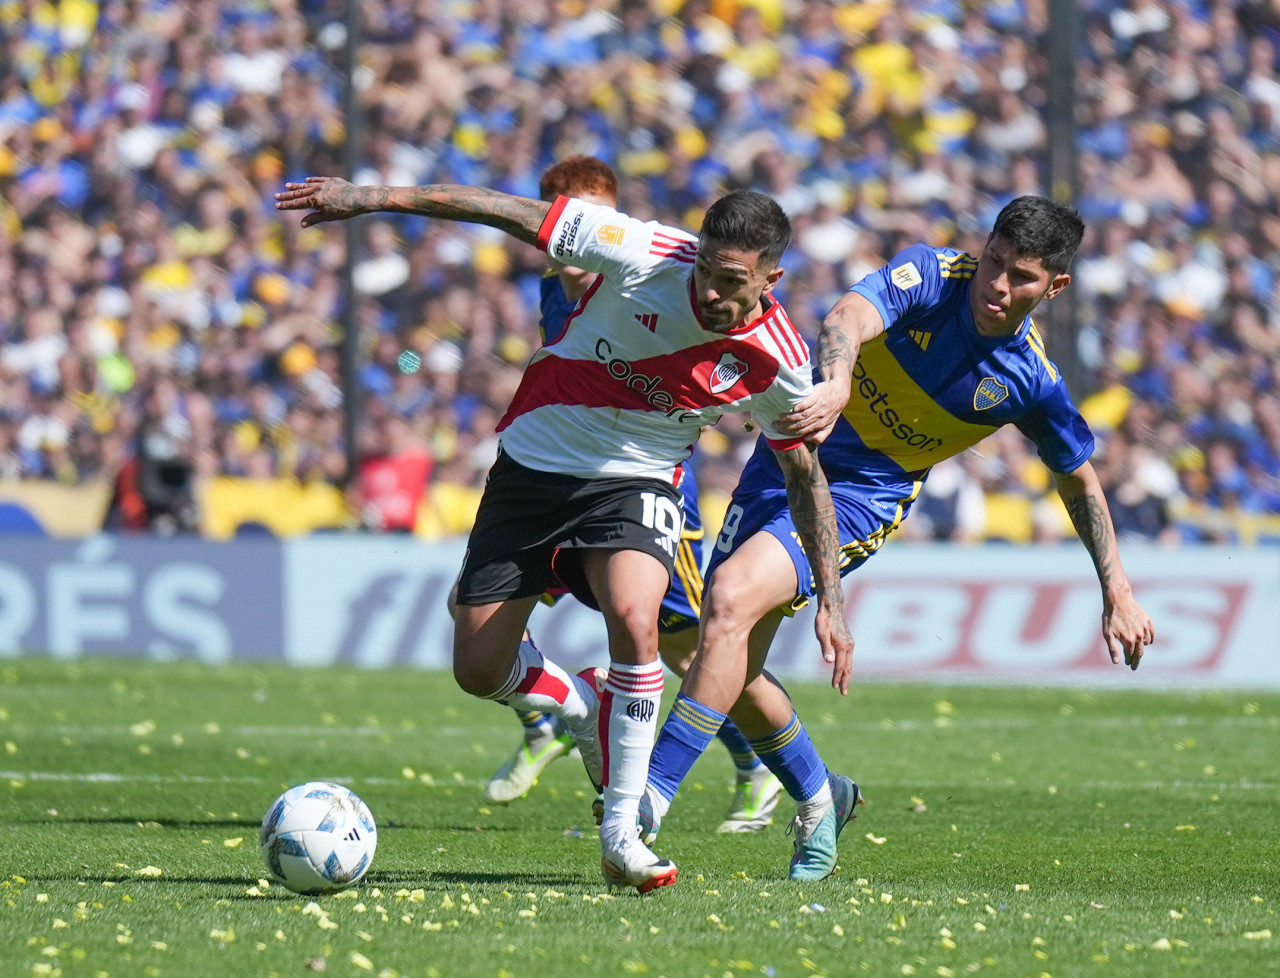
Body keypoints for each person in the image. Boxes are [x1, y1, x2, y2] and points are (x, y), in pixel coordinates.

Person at [275, 176, 852, 892]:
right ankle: (581, 705)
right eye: (705, 269)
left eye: (730, 280)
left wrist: (831, 596)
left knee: (640, 619)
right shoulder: (644, 251)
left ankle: (623, 834)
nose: (708, 290)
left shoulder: (780, 362)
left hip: (638, 481)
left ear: (773, 276)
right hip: (533, 466)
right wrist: (372, 196)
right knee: (478, 668)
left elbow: (807, 480)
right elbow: (504, 211)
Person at [637, 195, 1157, 882]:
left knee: (730, 599)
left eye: (1021, 277)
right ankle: (824, 795)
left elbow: (1081, 485)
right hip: (789, 458)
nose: (997, 285)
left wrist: (1117, 590)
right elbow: (849, 316)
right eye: (994, 262)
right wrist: (840, 379)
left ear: (1054, 287)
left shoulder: (1030, 381)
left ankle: (646, 800)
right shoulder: (935, 276)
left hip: (860, 497)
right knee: (727, 660)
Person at [481, 156, 784, 835]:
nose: (570, 224)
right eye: (556, 206)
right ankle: (553, 713)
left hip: (643, 494)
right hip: (563, 481)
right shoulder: (557, 287)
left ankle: (754, 759)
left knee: (685, 650)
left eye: (586, 210)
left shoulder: (647, 272)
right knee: (479, 618)